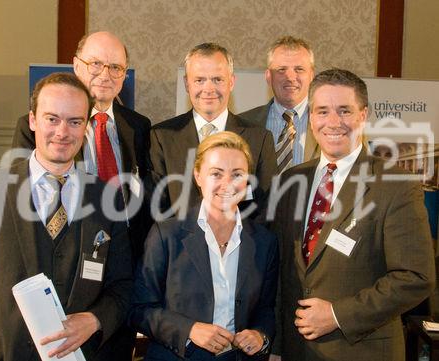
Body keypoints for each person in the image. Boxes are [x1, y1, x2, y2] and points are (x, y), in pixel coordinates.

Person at [0, 73, 133, 361]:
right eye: (52, 119)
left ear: (87, 127)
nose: (62, 132)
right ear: (32, 120)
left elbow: (123, 286)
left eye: (75, 121)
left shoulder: (107, 197)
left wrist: (94, 320)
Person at [270, 68, 435, 361]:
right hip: (297, 351)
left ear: (363, 115)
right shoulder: (290, 182)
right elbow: (284, 271)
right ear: (311, 116)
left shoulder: (395, 185)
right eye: (322, 111)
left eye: (344, 110)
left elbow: (415, 276)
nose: (333, 122)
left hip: (363, 350)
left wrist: (337, 314)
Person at [12, 31, 151, 360]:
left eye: (116, 67)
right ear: (76, 66)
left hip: (119, 282)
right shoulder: (35, 129)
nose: (106, 73)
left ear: (125, 74)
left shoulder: (141, 127)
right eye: (96, 63)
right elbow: (24, 208)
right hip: (60, 283)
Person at [130, 131, 278, 360]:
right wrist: (189, 330)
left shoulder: (264, 241)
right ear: (198, 176)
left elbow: (266, 309)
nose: (227, 184)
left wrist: (260, 335)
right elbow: (139, 309)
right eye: (216, 174)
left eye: (237, 174)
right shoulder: (166, 234)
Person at [150, 43, 277, 219]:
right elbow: (159, 206)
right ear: (187, 84)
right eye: (199, 80)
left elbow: (266, 207)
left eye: (217, 79)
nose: (208, 89)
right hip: (179, 244)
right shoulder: (162, 137)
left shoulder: (260, 139)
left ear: (231, 82)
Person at [240, 36, 319, 172]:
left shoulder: (330, 124)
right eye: (281, 70)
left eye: (299, 69)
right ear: (268, 76)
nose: (290, 77)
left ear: (312, 75)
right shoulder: (242, 125)